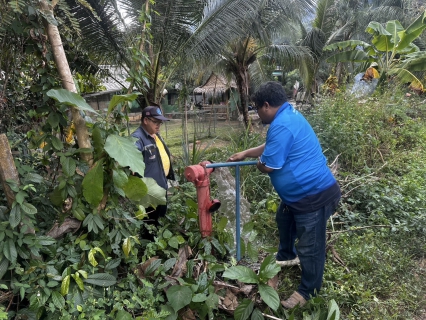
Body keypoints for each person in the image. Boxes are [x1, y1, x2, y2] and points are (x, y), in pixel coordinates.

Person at [227, 81, 340, 309]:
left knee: (311, 246)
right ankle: (287, 255)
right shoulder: (287, 116)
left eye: (257, 109)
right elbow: (272, 145)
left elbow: (270, 165)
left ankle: (308, 291)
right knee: (284, 219)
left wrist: (261, 166)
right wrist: (245, 153)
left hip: (313, 196)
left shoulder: (282, 124)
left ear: (266, 105)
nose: (257, 114)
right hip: (298, 196)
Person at [131, 106, 175, 237]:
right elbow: (132, 152)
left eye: (160, 123)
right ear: (145, 120)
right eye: (156, 122)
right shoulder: (138, 138)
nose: (158, 125)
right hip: (149, 193)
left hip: (161, 186)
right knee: (149, 225)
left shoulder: (154, 136)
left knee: (159, 219)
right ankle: (149, 250)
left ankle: (157, 247)